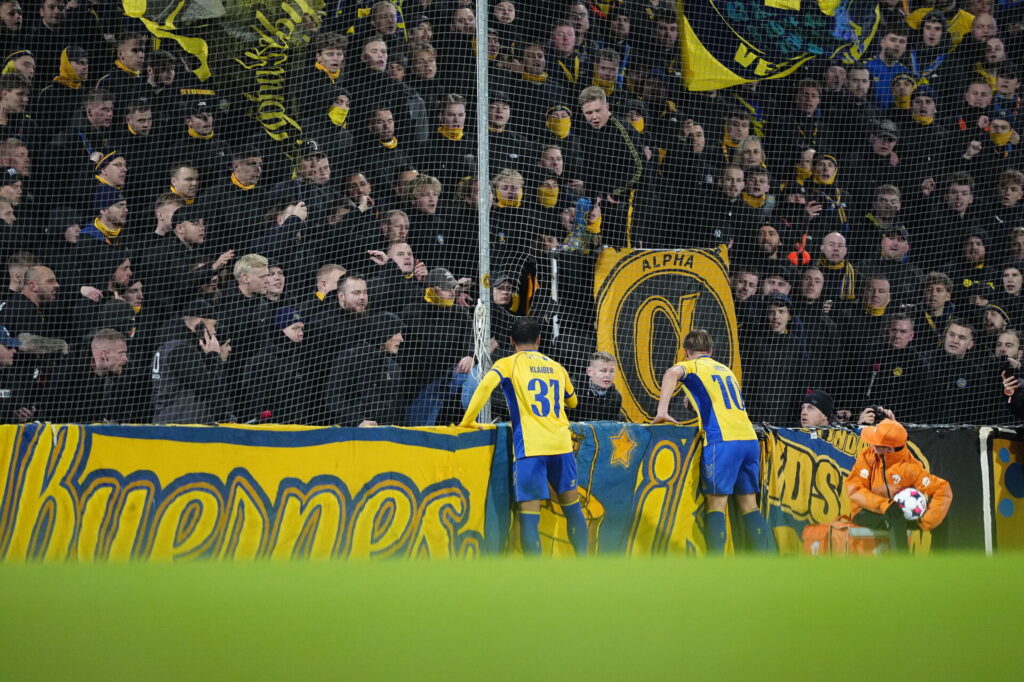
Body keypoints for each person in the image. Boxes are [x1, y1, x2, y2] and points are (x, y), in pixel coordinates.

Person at [459, 317, 587, 557]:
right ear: (539, 340)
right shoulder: (556, 366)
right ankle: (585, 565)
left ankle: (534, 578)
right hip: (561, 445)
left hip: (531, 447)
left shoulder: (508, 364)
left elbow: (485, 386)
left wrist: (467, 420)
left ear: (511, 341)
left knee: (530, 516)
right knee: (572, 509)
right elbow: (573, 401)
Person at [653, 329, 771, 554]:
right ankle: (766, 564)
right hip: (749, 439)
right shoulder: (725, 369)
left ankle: (715, 569)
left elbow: (670, 374)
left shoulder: (691, 366)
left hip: (723, 440)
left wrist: (662, 411)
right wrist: (693, 404)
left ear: (686, 352)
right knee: (749, 506)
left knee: (716, 505)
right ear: (711, 351)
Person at [845, 418, 952, 552]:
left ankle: (938, 566)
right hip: (863, 512)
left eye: (876, 443)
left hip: (899, 510)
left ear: (889, 449)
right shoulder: (867, 457)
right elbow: (854, 490)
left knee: (940, 518)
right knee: (894, 515)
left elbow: (942, 489)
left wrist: (928, 520)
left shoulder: (911, 466)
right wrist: (883, 501)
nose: (871, 445)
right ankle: (903, 566)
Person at [573, 351, 621, 421]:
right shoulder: (574, 388)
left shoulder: (616, 398)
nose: (608, 375)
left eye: (611, 371)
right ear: (589, 372)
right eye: (603, 371)